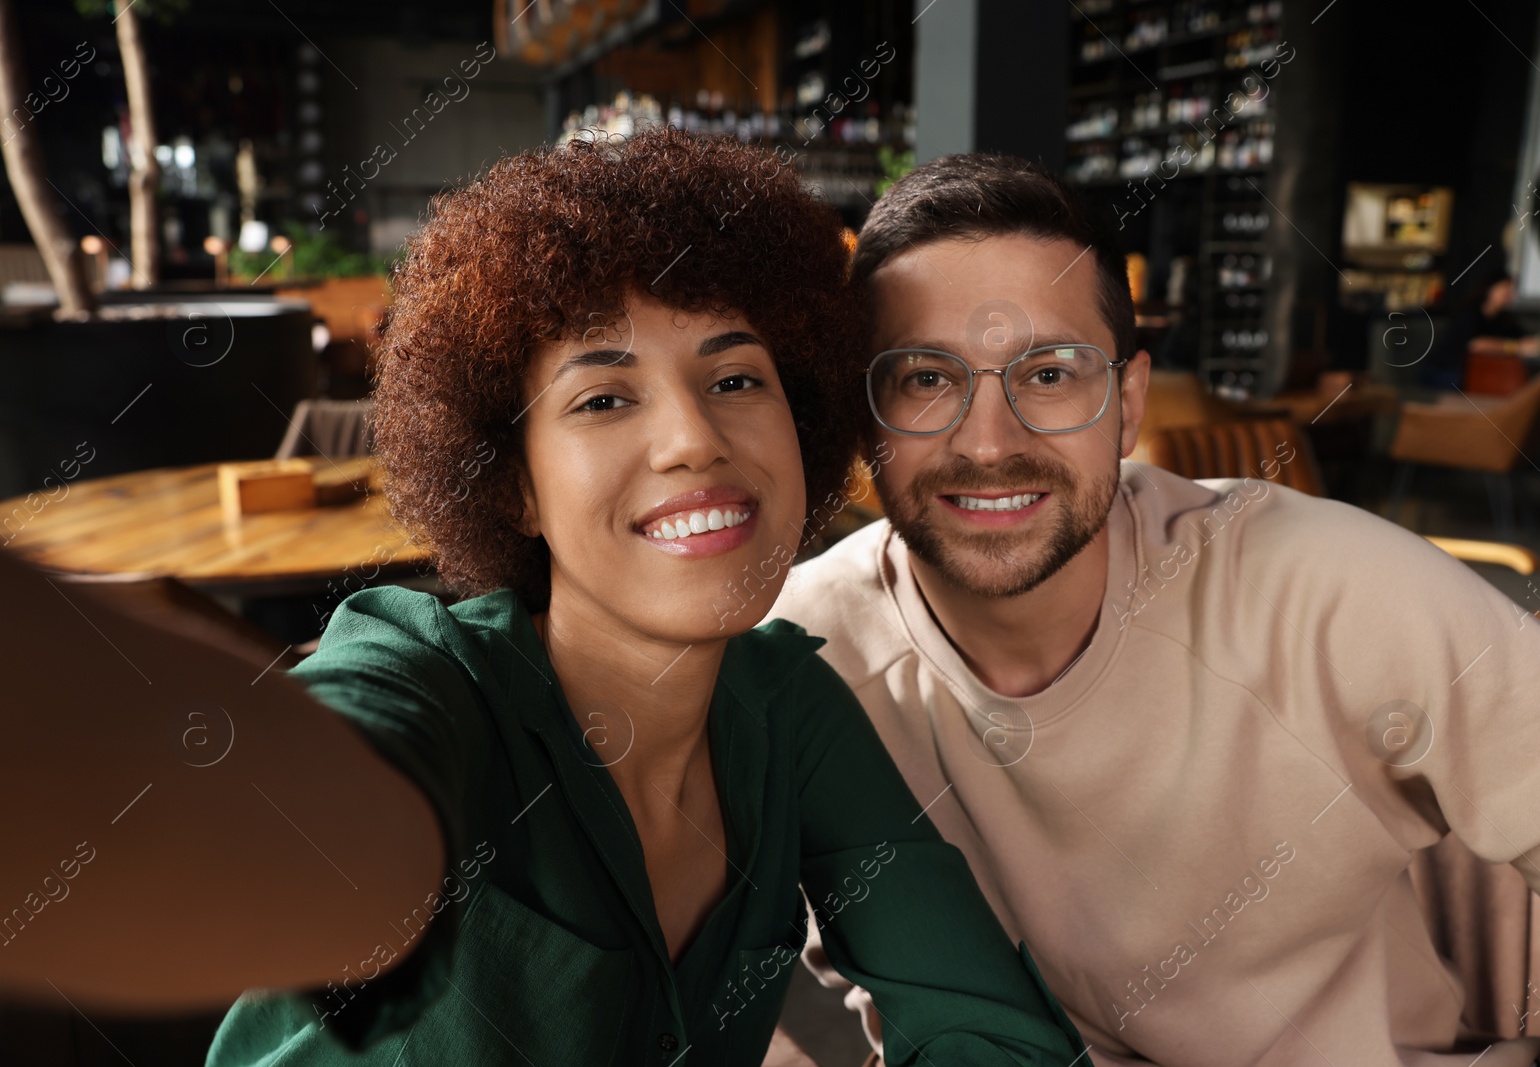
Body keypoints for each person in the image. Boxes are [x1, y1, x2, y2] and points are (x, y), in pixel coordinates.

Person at [0, 130, 1091, 1067]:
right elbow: (289, 815)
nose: (693, 436)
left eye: (736, 377)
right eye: (603, 395)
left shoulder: (785, 711)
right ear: (515, 483)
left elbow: (988, 1029)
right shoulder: (429, 681)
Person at [767, 153, 1540, 1067]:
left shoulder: (1321, 589)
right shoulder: (800, 657)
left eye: (1049, 374)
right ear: (864, 419)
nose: (990, 441)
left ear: (1126, 405)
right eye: (925, 378)